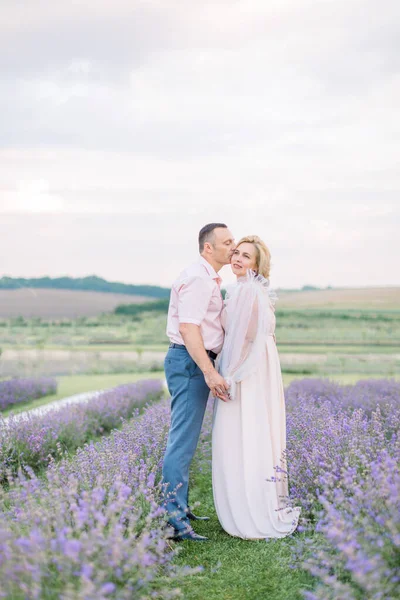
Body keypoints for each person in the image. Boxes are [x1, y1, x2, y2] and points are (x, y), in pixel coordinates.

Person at [212, 235, 301, 539]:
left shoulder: (249, 291)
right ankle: (251, 499)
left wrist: (231, 374)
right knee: (251, 430)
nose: (237, 259)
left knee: (244, 431)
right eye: (235, 253)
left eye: (245, 256)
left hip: (247, 370)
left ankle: (250, 506)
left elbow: (248, 337)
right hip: (255, 366)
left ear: (257, 264)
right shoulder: (244, 290)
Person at [162, 223, 235, 541]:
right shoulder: (198, 278)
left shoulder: (207, 278)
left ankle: (181, 508)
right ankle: (174, 521)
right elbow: (189, 328)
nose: (233, 246)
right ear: (209, 248)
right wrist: (208, 370)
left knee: (186, 442)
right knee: (182, 441)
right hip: (191, 362)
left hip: (193, 361)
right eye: (227, 242)